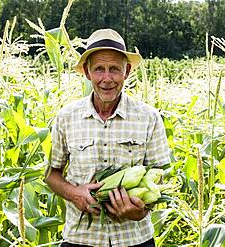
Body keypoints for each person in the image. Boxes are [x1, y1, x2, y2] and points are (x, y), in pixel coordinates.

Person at [45, 28, 170, 247]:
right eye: (99, 69)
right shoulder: (67, 117)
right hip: (80, 239)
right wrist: (74, 194)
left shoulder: (149, 118)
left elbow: (160, 176)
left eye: (114, 69)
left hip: (134, 239)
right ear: (87, 72)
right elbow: (51, 174)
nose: (107, 79)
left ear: (127, 71)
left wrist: (140, 211)